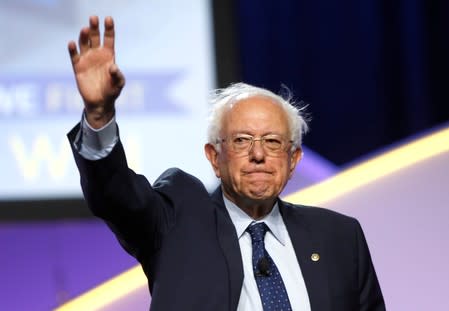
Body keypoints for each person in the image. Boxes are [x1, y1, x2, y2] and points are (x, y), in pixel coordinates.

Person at [67, 16, 385, 311]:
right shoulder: (175, 223)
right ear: (214, 157)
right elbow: (116, 196)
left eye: (273, 142)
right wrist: (99, 116)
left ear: (293, 160)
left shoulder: (339, 237)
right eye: (242, 140)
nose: (258, 154)